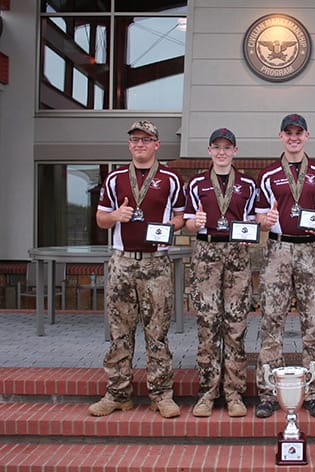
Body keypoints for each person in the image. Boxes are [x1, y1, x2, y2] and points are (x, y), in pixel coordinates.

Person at [89, 120, 186, 418]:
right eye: (135, 140)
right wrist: (116, 215)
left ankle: (161, 394)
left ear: (157, 144)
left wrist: (172, 225)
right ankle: (118, 393)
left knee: (157, 331)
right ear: (129, 144)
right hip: (122, 261)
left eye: (146, 140)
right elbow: (100, 219)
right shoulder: (115, 178)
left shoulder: (171, 178)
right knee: (120, 330)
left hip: (156, 262)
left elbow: (181, 216)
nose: (140, 144)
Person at [254, 113, 315, 419]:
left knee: (313, 323)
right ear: (281, 137)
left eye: (298, 132)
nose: (294, 137)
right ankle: (268, 392)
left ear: (307, 136)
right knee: (271, 322)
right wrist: (266, 220)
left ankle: (314, 392)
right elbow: (259, 216)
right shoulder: (268, 174)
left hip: (310, 251)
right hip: (278, 248)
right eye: (288, 133)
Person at [184, 128, 257, 418]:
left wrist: (249, 232)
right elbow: (189, 223)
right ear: (210, 150)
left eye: (228, 147)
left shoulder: (248, 184)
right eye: (217, 147)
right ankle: (207, 392)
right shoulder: (197, 183)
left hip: (237, 255)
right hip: (207, 252)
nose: (222, 152)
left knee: (236, 326)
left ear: (235, 151)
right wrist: (195, 222)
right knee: (207, 324)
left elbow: (254, 220)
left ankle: (234, 393)